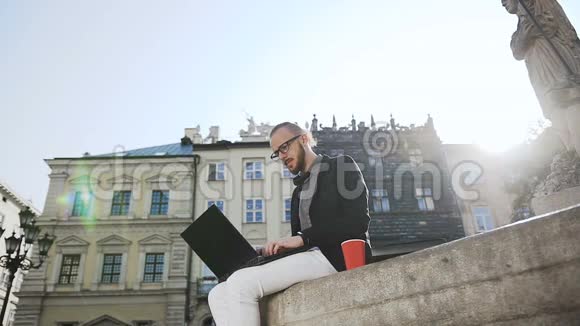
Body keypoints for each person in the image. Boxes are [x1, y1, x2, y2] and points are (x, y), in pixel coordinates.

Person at [208, 121, 372, 326]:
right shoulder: (298, 193)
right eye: (277, 153)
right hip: (310, 258)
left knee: (241, 283)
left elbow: (357, 221)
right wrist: (267, 252)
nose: (282, 157)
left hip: (338, 256)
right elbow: (300, 246)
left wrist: (303, 238)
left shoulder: (341, 166)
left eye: (284, 148)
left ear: (303, 139)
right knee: (217, 294)